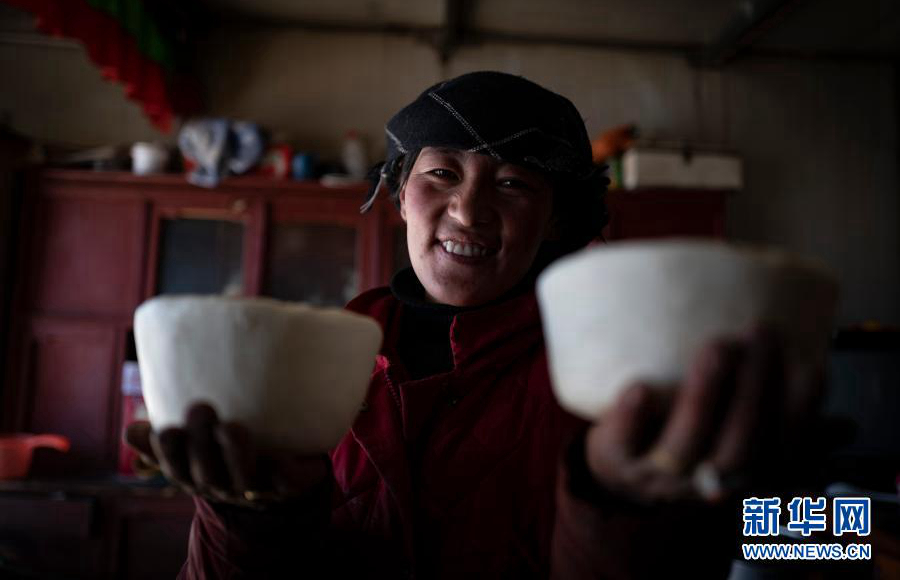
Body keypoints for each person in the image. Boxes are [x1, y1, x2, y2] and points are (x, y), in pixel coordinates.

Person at [127, 71, 819, 579]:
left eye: (514, 183)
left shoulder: (617, 369)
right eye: (442, 173)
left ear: (555, 220)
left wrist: (802, 519)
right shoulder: (316, 360)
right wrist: (244, 517)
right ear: (401, 195)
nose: (469, 211)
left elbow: (794, 539)